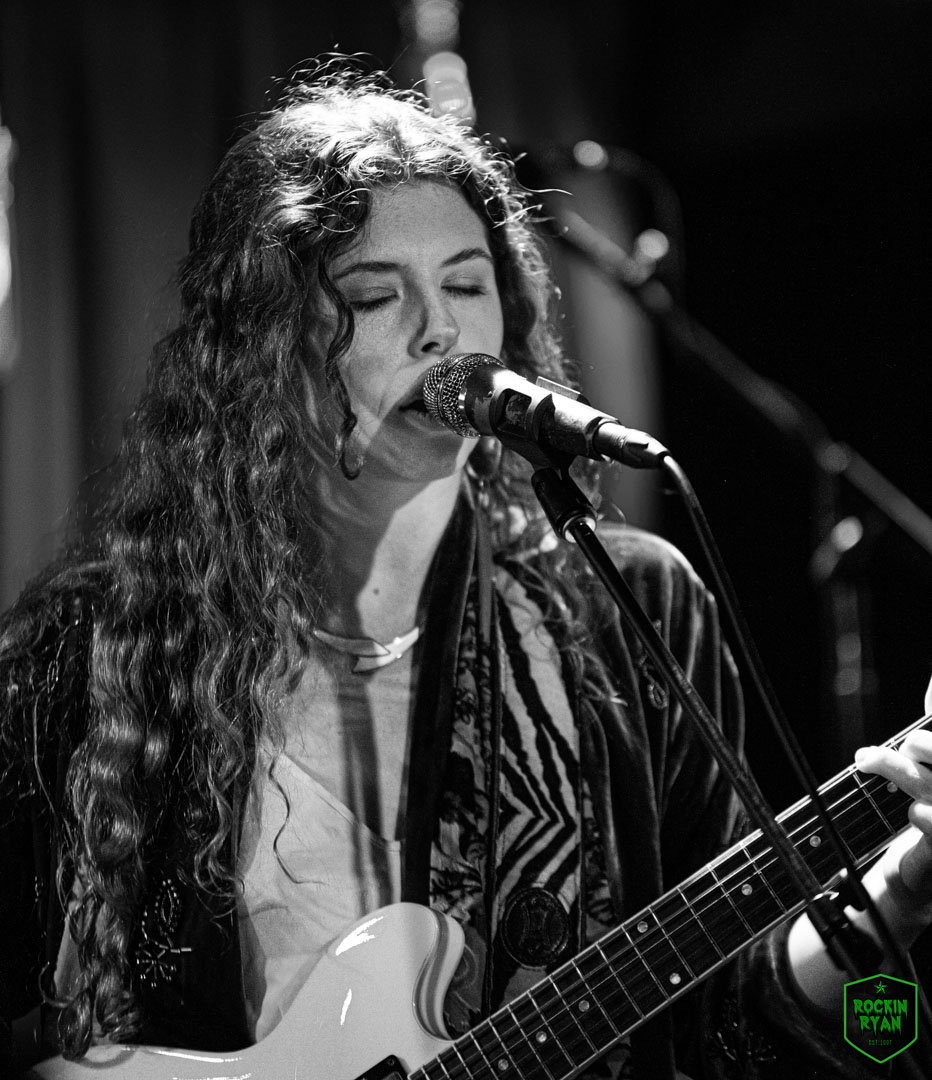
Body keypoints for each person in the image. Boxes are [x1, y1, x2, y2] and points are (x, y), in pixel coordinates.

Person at [1, 62, 930, 1080]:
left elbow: (725, 1019)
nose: (439, 330)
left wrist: (890, 901)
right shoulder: (91, 653)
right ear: (259, 345)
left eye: (464, 284)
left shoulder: (630, 608)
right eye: (373, 294)